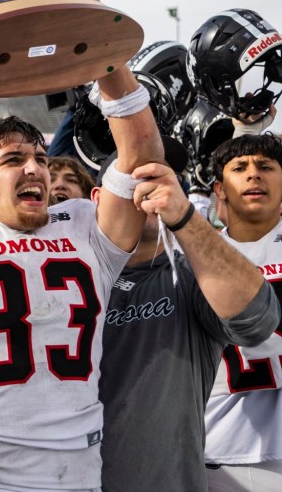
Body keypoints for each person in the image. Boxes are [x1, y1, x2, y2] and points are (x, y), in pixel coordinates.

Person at [0, 0, 163, 491]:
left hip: (80, 471)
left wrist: (106, 49)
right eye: (13, 159)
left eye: (39, 155)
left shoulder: (81, 223)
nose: (35, 167)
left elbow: (143, 156)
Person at [96, 147, 278, 492]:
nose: (152, 188)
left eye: (165, 179)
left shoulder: (192, 274)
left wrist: (184, 217)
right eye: (136, 179)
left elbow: (257, 320)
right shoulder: (65, 274)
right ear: (97, 196)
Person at [203, 133, 282, 490]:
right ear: (219, 189)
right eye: (240, 168)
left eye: (266, 166)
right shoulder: (193, 256)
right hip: (220, 446)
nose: (254, 175)